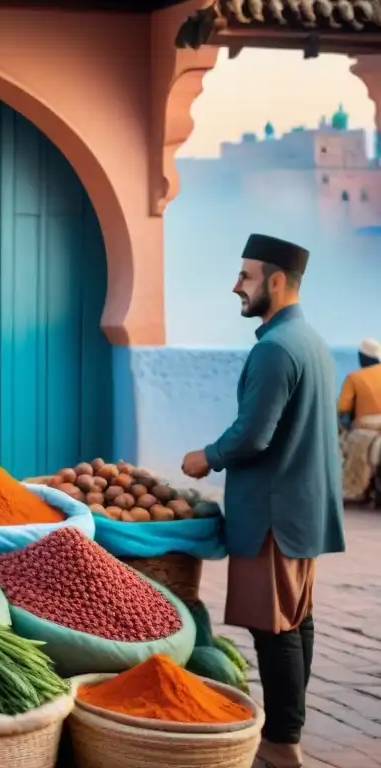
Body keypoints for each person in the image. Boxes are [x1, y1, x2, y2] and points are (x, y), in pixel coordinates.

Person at [180, 233, 345, 768]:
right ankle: (287, 732)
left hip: (274, 512)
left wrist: (207, 455)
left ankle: (281, 743)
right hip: (301, 506)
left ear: (276, 280)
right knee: (295, 621)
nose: (236, 286)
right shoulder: (311, 342)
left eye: (246, 276)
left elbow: (254, 433)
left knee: (274, 628)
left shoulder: (275, 348)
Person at [338, 339, 381, 504]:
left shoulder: (354, 377)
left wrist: (345, 429)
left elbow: (343, 410)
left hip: (366, 427)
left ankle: (354, 488)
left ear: (363, 357)